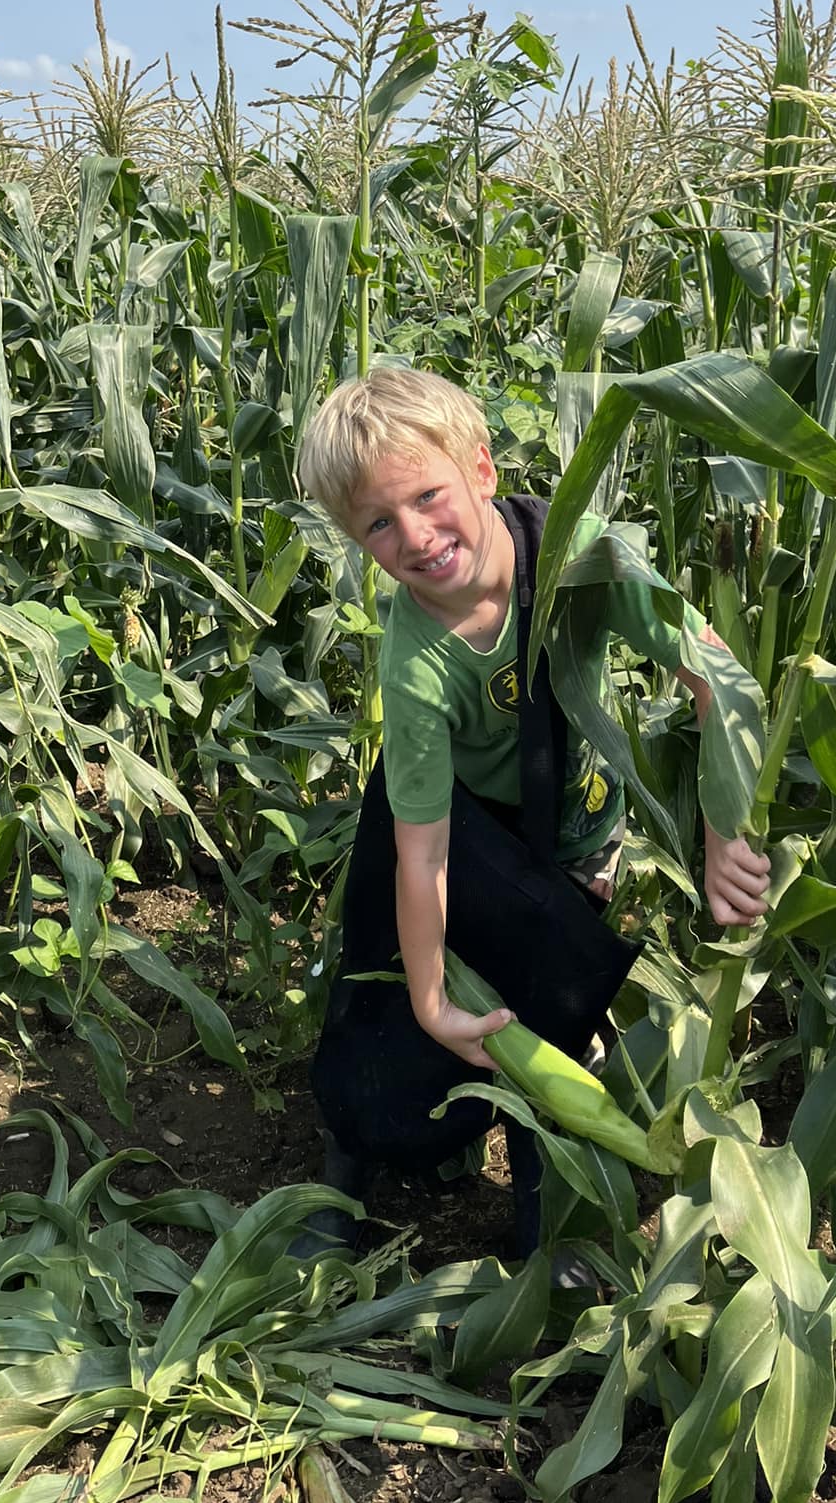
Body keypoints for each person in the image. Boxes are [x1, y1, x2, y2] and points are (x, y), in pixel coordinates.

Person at [292, 364, 771, 1252]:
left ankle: (548, 1212)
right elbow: (424, 854)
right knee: (380, 981)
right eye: (380, 525)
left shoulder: (576, 551)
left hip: (574, 834)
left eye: (429, 495)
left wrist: (721, 830)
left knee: (551, 1004)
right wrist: (433, 999)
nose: (418, 536)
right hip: (456, 829)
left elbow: (715, 673)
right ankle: (347, 1161)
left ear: (481, 469)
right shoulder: (419, 660)